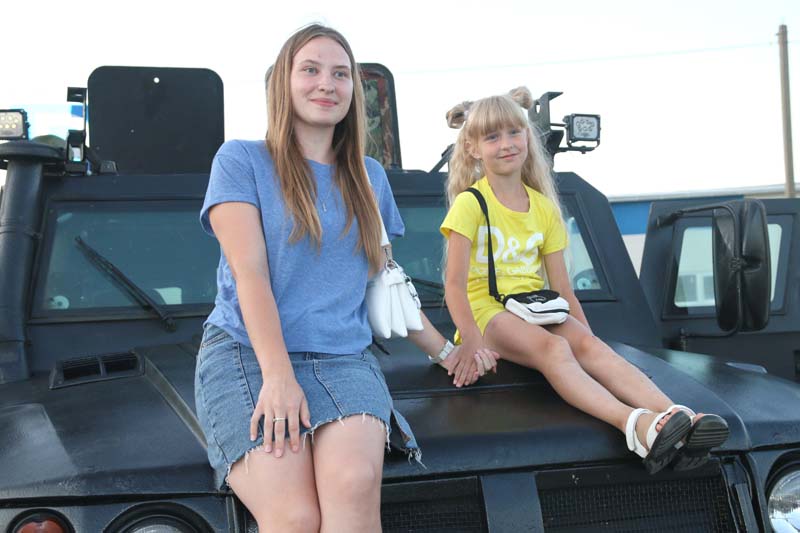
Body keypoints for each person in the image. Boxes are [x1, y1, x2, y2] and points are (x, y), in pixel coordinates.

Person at [194, 24, 496, 533]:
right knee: (294, 517)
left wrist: (448, 352)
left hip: (342, 358)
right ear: (284, 82)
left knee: (354, 484)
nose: (326, 84)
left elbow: (383, 282)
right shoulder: (242, 160)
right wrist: (279, 378)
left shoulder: (368, 176)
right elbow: (251, 275)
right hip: (248, 353)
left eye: (340, 74)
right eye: (310, 70)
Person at [439, 87, 730, 474]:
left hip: (533, 307)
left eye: (514, 132)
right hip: (485, 312)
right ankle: (635, 425)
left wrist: (587, 343)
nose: (506, 144)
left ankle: (677, 416)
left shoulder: (543, 208)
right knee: (554, 349)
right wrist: (472, 342)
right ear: (473, 148)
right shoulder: (471, 204)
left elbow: (563, 290)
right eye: (492, 137)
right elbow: (454, 284)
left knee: (589, 345)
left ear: (527, 137)